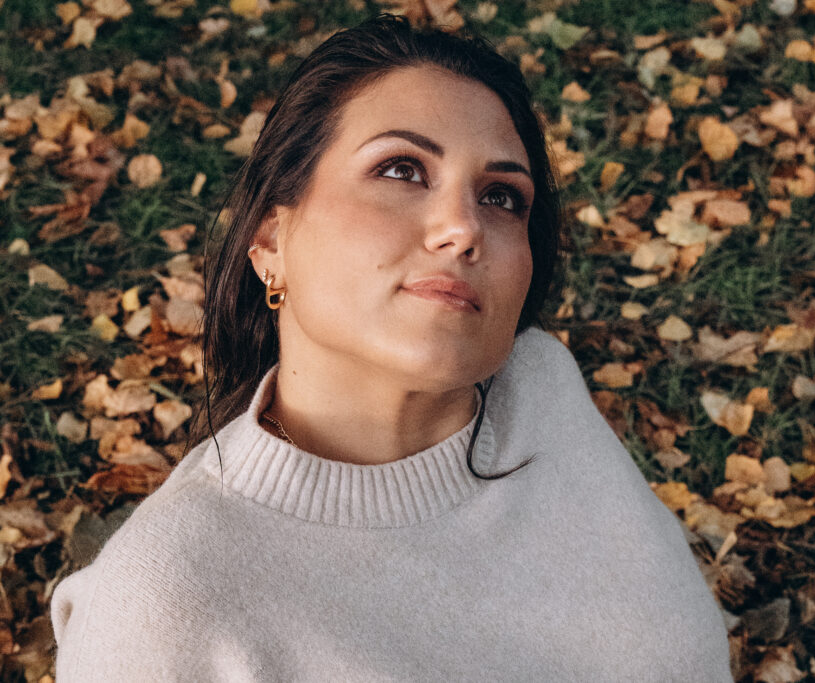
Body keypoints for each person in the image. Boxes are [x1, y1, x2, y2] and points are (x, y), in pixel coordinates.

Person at [49, 13, 733, 681]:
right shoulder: (163, 611)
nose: (463, 228)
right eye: (402, 170)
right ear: (269, 238)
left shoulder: (544, 393)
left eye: (501, 197)